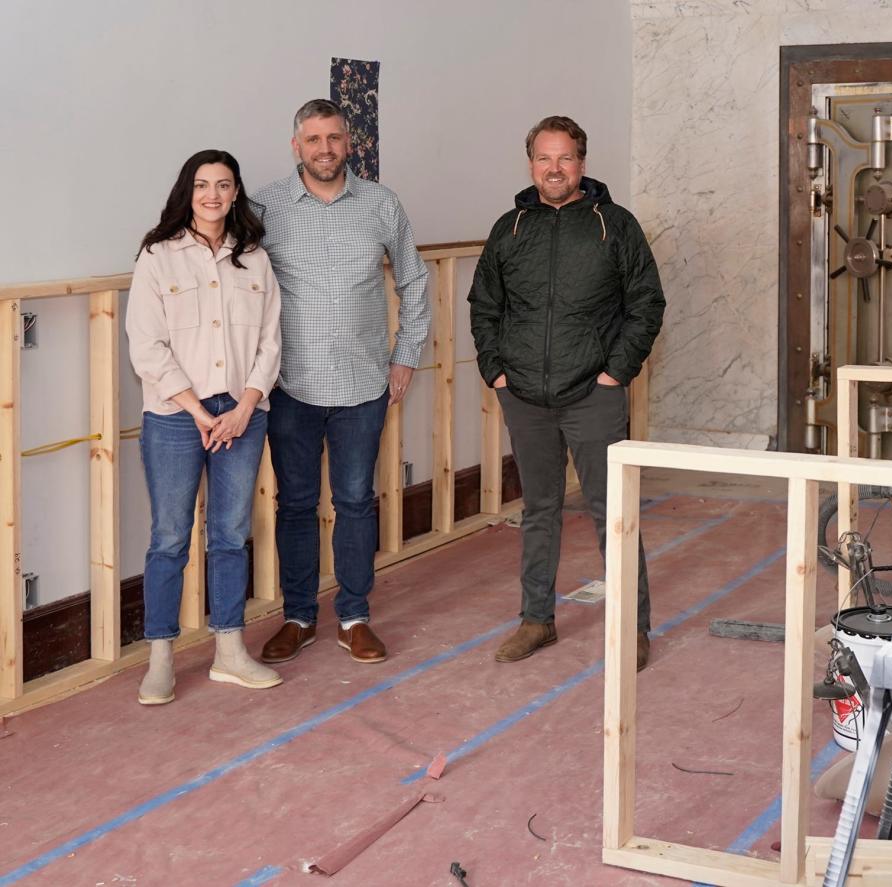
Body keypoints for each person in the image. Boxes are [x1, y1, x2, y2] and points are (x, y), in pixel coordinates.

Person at [468, 115, 666, 670]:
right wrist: (496, 372)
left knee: (613, 512)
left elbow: (646, 303)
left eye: (565, 159)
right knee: (539, 509)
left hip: (593, 394)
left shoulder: (615, 225)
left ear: (582, 162)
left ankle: (634, 627)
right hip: (524, 395)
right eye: (543, 159)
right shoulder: (509, 228)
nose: (554, 169)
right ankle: (536, 620)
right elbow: (485, 305)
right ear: (530, 163)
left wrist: (615, 373)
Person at [252, 99, 430, 665]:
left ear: (347, 143)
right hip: (288, 387)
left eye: (333, 138)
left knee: (355, 501)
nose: (324, 149)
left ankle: (354, 616)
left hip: (363, 384)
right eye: (313, 139)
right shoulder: (264, 206)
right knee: (296, 505)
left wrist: (405, 357)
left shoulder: (381, 204)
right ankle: (299, 616)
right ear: (295, 145)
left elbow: (415, 281)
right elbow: (235, 283)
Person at [127, 149, 283, 704]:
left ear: (236, 192)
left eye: (222, 185)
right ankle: (161, 658)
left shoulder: (255, 259)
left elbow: (270, 341)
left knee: (230, 534)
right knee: (169, 537)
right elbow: (147, 346)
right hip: (175, 416)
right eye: (201, 185)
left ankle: (229, 652)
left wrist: (244, 407)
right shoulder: (158, 257)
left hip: (242, 413)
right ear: (187, 193)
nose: (212, 195)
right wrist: (199, 411)